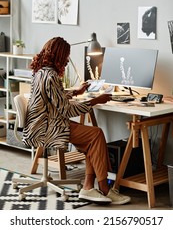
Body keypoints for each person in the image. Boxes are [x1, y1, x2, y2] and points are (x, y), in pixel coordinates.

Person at [23, 37, 131, 205]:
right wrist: (95, 100)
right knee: (95, 135)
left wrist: (76, 92)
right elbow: (66, 110)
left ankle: (89, 187)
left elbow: (54, 98)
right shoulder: (50, 76)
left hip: (42, 123)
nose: (67, 60)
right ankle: (103, 188)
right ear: (59, 55)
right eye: (66, 56)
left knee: (92, 139)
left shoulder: (41, 71)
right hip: (47, 127)